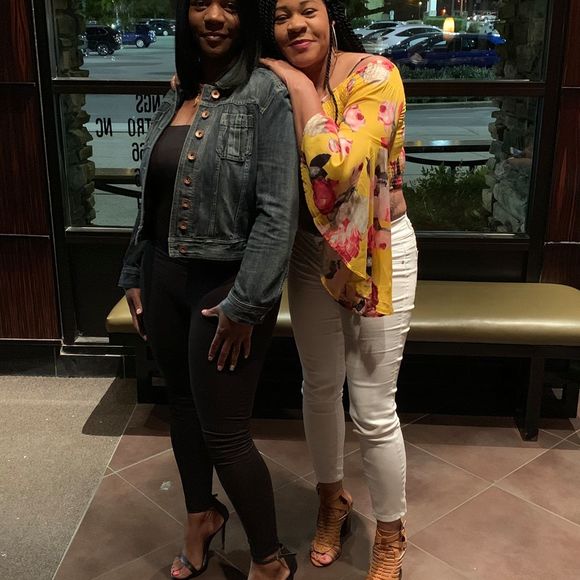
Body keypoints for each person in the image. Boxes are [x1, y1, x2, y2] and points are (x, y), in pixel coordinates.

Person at [118, 1, 299, 579]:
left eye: (229, 5)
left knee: (226, 433)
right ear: (186, 16)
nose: (214, 17)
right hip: (162, 275)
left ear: (246, 17)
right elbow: (153, 197)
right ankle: (201, 517)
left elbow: (278, 213)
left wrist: (247, 305)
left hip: (225, 285)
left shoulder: (265, 94)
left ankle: (269, 561)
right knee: (183, 406)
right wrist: (134, 272)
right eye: (201, 4)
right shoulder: (180, 90)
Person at [257, 1, 417, 578]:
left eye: (308, 10)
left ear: (331, 15)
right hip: (310, 251)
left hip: (379, 249)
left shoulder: (375, 73)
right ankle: (332, 501)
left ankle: (391, 535)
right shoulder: (268, 83)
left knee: (373, 408)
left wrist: (299, 84)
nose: (296, 25)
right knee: (319, 388)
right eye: (281, 15)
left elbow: (338, 165)